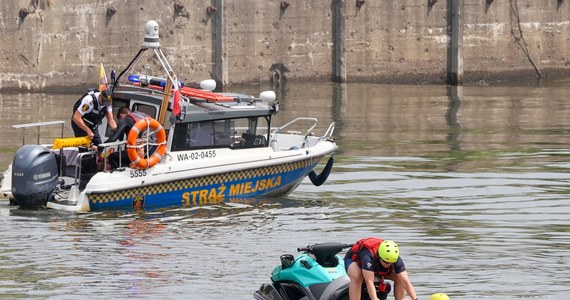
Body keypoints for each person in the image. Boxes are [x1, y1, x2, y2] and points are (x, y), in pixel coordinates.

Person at [344, 238, 418, 300]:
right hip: (355, 260)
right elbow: (369, 282)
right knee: (357, 277)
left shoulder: (396, 259)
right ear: (380, 257)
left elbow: (406, 282)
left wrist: (415, 299)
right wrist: (375, 299)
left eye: (391, 263)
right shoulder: (368, 257)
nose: (388, 265)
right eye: (386, 262)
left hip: (375, 266)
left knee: (400, 278)